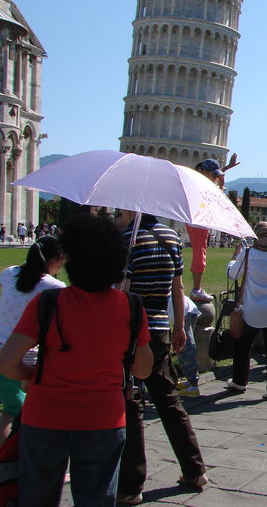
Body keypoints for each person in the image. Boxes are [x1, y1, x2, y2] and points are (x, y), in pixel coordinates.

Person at [0, 215, 153, 507]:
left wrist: (31, 375)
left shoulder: (48, 303)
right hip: (103, 418)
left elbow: (7, 361)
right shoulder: (131, 307)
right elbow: (142, 369)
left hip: (46, 413)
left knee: (36, 498)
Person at [117, 211, 207, 504]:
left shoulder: (129, 241)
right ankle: (195, 470)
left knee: (132, 406)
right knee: (168, 399)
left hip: (132, 331)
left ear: (133, 210)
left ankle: (131, 485)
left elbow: (124, 291)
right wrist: (178, 325)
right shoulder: (172, 237)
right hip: (160, 328)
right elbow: (177, 288)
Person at [0, 236, 66, 442]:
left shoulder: (9, 274)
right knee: (35, 415)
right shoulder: (55, 287)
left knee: (11, 410)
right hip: (29, 358)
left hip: (3, 350)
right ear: (54, 260)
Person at [226, 222, 267, 399]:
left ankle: (239, 381)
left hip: (252, 308)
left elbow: (233, 274)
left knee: (243, 346)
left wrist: (233, 257)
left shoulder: (248, 253)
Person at [186, 155, 239, 302]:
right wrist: (222, 180)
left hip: (197, 221)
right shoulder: (203, 185)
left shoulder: (199, 180)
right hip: (198, 222)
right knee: (200, 255)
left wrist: (226, 168)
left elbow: (218, 179)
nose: (216, 178)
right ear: (204, 172)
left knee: (200, 254)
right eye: (213, 175)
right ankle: (196, 289)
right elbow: (219, 191)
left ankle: (197, 288)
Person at [169, 294, 202, 397]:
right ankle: (190, 380)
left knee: (186, 349)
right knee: (182, 347)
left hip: (184, 312)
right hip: (188, 309)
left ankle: (193, 385)